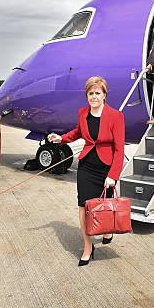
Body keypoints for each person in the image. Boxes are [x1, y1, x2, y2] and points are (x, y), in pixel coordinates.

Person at [47, 76, 125, 266]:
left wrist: (113, 176)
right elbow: (78, 132)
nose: (94, 97)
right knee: (84, 206)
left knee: (105, 204)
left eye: (98, 93)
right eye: (91, 93)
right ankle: (88, 247)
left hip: (106, 167)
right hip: (87, 166)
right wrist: (61, 139)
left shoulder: (116, 116)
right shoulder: (83, 113)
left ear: (104, 95)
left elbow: (119, 149)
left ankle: (107, 230)